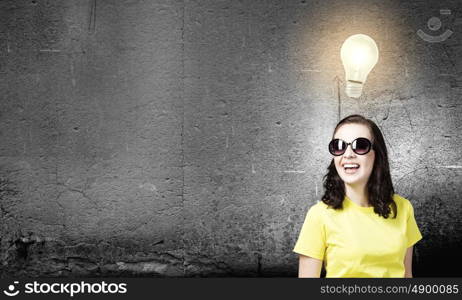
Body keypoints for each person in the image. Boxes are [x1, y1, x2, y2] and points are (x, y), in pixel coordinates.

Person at [293, 114, 422, 278]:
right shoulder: (319, 215)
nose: (347, 154)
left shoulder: (403, 208)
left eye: (360, 146)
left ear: (376, 154)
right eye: (339, 146)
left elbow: (406, 276)